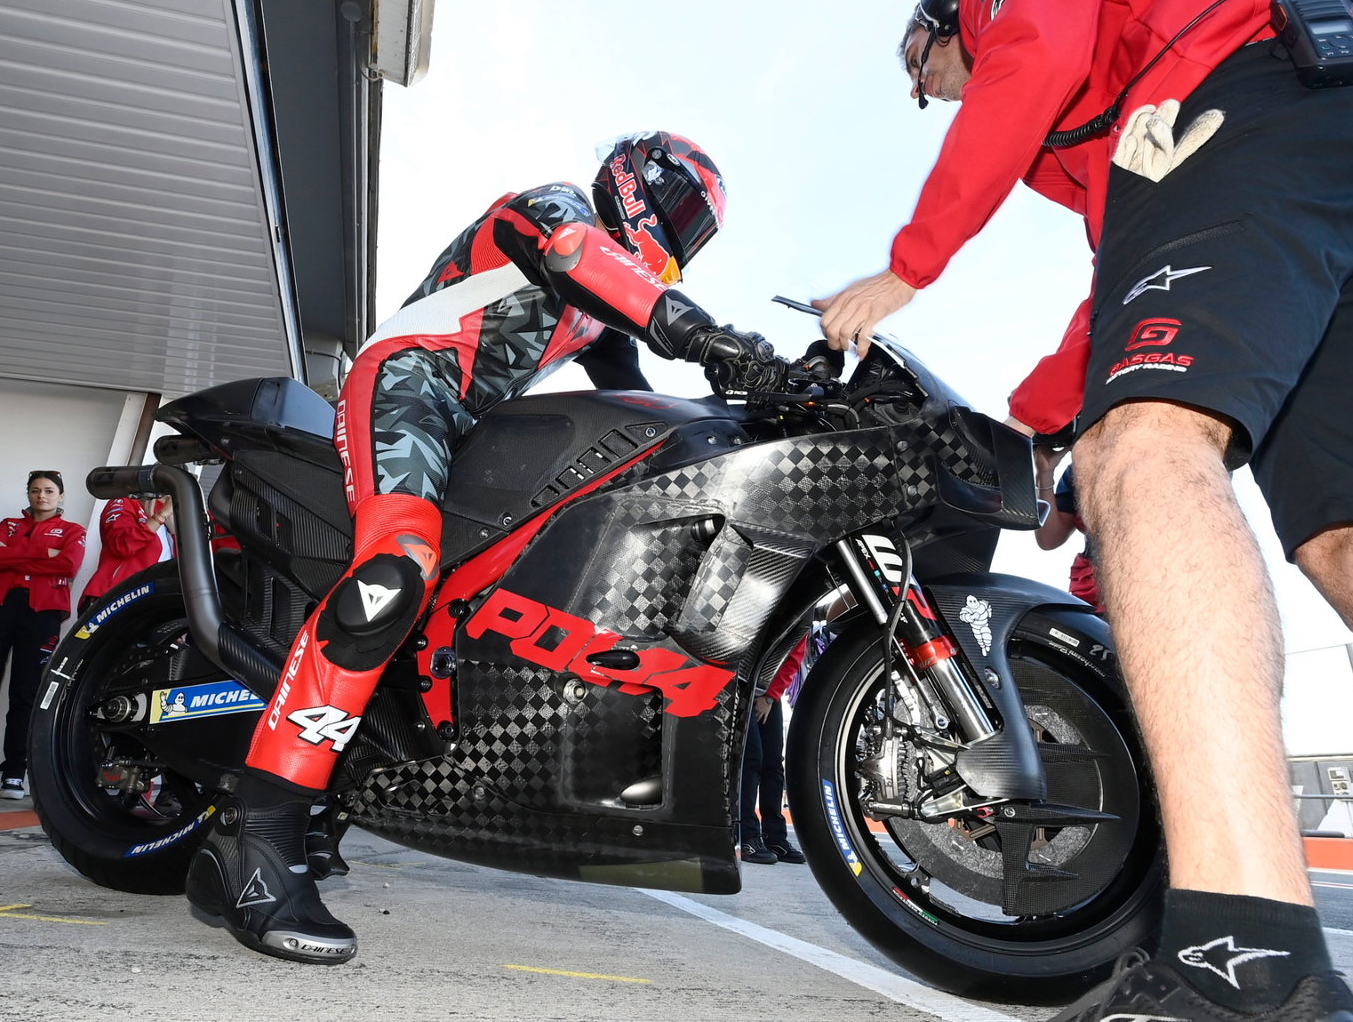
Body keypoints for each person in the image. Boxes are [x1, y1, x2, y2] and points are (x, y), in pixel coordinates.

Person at [817, 0, 1353, 1020]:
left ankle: (1245, 965)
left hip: (1243, 84)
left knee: (1144, 449)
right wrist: (1046, 426)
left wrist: (910, 264)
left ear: (946, 21)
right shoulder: (1111, 120)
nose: (936, 95)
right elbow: (1122, 286)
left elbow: (1030, 53)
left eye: (929, 73)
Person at [185, 131, 788, 964]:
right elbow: (584, 259)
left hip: (465, 427)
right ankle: (257, 835)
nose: (683, 236)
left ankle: (350, 781)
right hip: (406, 383)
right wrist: (706, 333)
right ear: (636, 182)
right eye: (680, 209)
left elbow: (636, 391)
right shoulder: (557, 211)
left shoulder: (596, 311)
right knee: (396, 574)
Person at [0, 471, 88, 800]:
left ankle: (13, 773)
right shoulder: (9, 525)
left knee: (25, 692)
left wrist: (15, 556)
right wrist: (41, 555)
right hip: (2, 606)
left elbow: (68, 566)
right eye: (35, 490)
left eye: (49, 491)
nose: (42, 496)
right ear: (28, 494)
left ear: (61, 496)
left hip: (42, 614)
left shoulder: (73, 531)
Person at [739, 636, 807, 865]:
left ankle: (774, 836)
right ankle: (746, 835)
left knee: (772, 764)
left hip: (769, 692)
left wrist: (769, 696)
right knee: (751, 759)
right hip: (741, 683)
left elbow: (794, 655)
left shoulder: (801, 617)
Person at [78, 495, 175, 616]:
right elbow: (122, 546)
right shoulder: (126, 501)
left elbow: (182, 568)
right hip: (113, 596)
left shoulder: (172, 516)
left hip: (149, 604)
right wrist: (161, 516)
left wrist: (175, 531)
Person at [1034, 460, 1101, 613]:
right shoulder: (1080, 468)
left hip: (1149, 580)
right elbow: (1048, 539)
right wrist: (1044, 473)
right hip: (1090, 588)